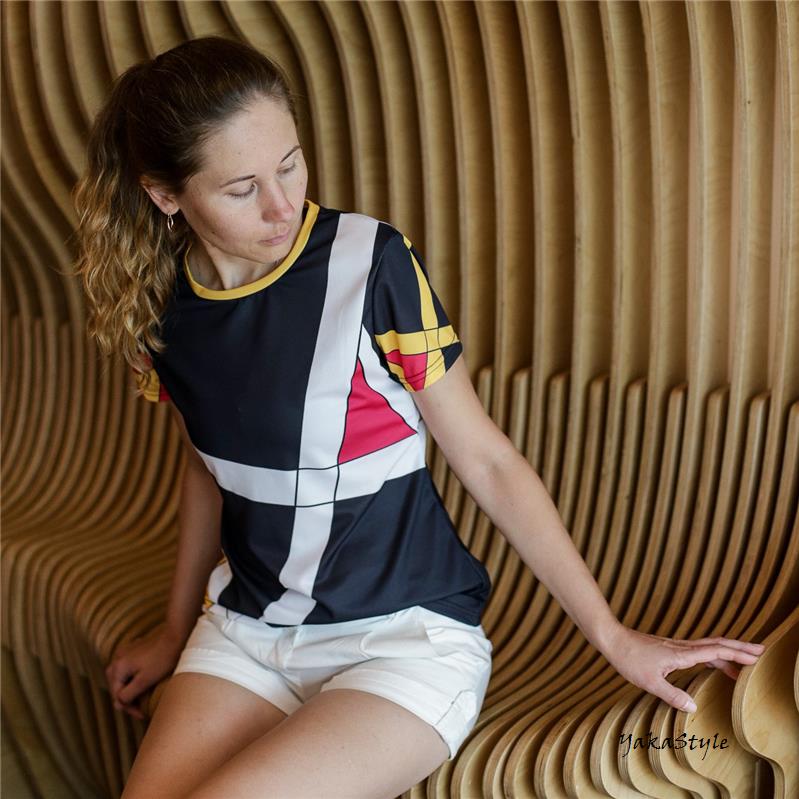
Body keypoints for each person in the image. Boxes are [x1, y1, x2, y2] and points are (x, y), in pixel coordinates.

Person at [71, 36, 764, 799]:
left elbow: (487, 460)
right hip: (246, 632)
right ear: (167, 196)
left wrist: (613, 635)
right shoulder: (161, 304)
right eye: (242, 188)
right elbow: (206, 470)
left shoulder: (370, 262)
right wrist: (175, 631)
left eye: (290, 164)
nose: (281, 205)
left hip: (401, 640)